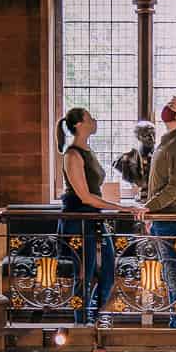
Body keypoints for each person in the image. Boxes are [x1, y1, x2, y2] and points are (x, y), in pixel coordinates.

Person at [137, 95, 176, 330]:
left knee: (173, 272)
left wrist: (150, 207)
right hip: (163, 215)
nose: (167, 108)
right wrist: (152, 214)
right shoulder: (168, 140)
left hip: (173, 217)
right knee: (170, 271)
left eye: (173, 106)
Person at [56, 107, 117, 323]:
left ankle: (96, 317)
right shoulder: (72, 154)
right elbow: (85, 196)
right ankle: (81, 324)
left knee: (109, 269)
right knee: (84, 274)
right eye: (90, 118)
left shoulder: (87, 150)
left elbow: (95, 190)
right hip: (79, 220)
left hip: (95, 219)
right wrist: (122, 208)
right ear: (79, 125)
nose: (95, 120)